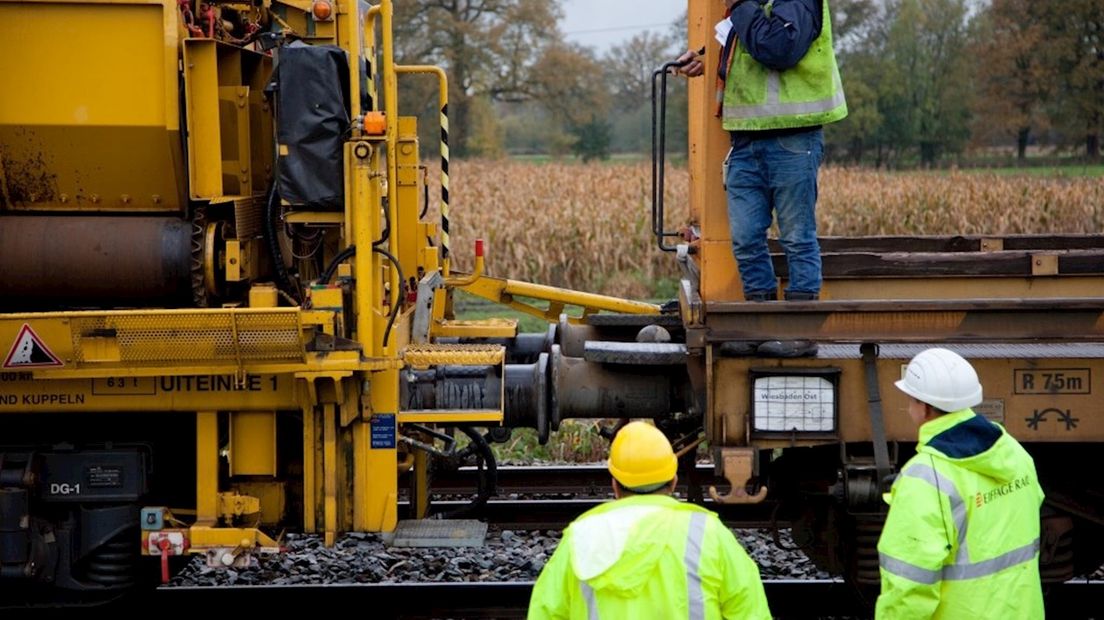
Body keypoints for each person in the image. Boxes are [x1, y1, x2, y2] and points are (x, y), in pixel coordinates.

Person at [678, 0, 848, 357]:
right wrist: (708, 56)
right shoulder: (754, 5)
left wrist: (739, 5)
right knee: (745, 238)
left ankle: (800, 332)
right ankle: (759, 323)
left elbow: (778, 48)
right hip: (744, 139)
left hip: (793, 138)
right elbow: (749, 40)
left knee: (797, 236)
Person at [527, 421, 771, 619]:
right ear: (673, 481)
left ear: (615, 485)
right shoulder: (708, 534)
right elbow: (751, 612)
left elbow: (545, 612)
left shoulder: (580, 538)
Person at [876, 348, 1045, 618]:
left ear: (925, 407)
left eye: (910, 401)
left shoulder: (925, 477)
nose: (909, 409)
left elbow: (908, 586)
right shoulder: (1012, 451)